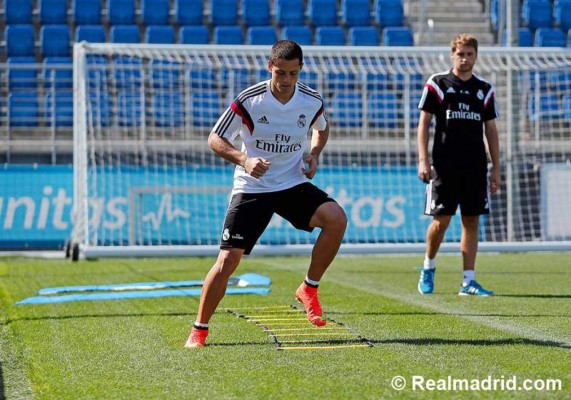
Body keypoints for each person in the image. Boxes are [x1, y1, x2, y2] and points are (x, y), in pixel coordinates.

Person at [185, 40, 347, 348]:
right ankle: (199, 329)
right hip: (253, 187)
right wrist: (245, 159)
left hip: (291, 184)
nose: (286, 81)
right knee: (227, 261)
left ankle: (309, 288)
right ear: (269, 67)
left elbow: (321, 128)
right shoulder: (250, 100)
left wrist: (314, 153)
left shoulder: (311, 100)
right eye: (281, 73)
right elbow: (215, 138)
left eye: (293, 74)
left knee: (336, 219)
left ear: (300, 71)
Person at [416, 33, 501, 296]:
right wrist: (423, 160)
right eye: (460, 54)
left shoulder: (484, 89)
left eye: (469, 54)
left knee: (471, 222)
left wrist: (496, 166)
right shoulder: (438, 83)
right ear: (452, 54)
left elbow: (491, 130)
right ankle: (428, 267)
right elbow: (424, 124)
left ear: (476, 56)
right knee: (441, 221)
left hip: (475, 167)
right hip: (444, 166)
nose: (464, 59)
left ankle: (468, 281)